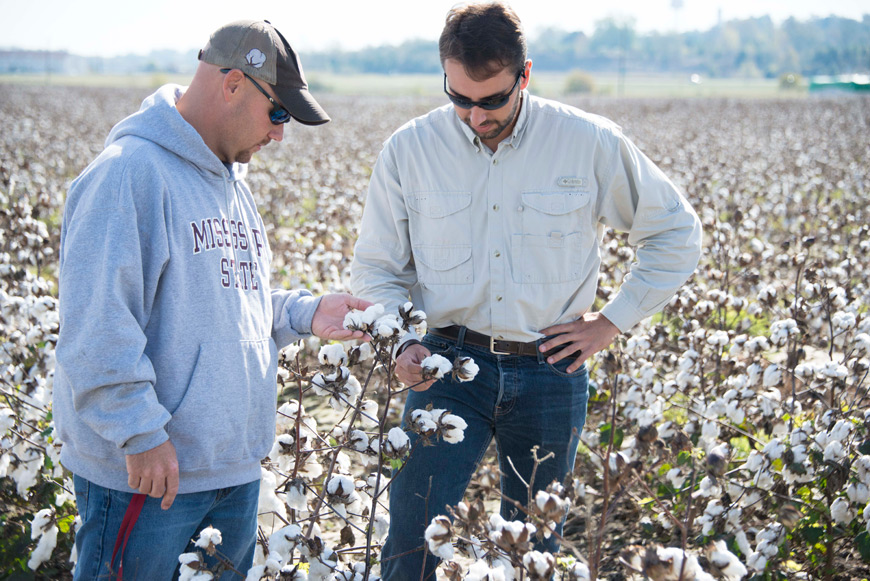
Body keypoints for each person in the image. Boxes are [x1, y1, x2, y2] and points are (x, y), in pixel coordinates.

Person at [350, 2, 703, 579]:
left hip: (549, 369)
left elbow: (676, 234)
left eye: (491, 100)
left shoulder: (587, 142)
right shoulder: (409, 151)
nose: (474, 115)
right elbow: (376, 267)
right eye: (459, 97)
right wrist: (400, 342)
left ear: (525, 75)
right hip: (445, 362)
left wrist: (611, 321)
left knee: (535, 552)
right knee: (412, 539)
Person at [53, 20, 370, 579]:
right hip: (152, 479)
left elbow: (227, 300)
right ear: (232, 85)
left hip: (231, 473)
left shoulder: (231, 182)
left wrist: (305, 313)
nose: (279, 135)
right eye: (277, 114)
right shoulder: (128, 175)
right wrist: (141, 434)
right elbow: (96, 325)